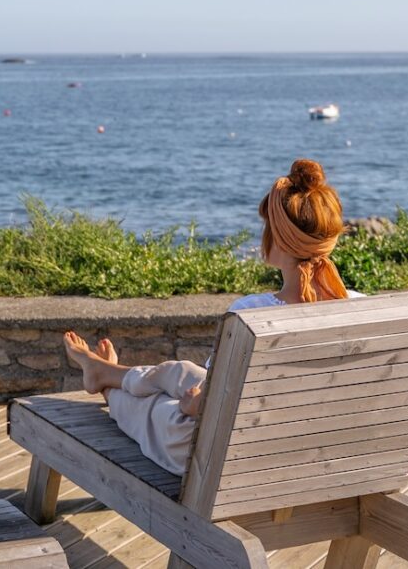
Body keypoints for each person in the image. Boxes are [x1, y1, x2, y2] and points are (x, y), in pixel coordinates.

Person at [63, 158, 360, 475]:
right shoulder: (360, 308)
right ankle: (106, 372)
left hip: (223, 455)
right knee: (178, 371)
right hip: (309, 445)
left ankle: (108, 387)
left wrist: (192, 405)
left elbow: (211, 402)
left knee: (156, 409)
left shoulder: (252, 315)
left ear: (279, 239)